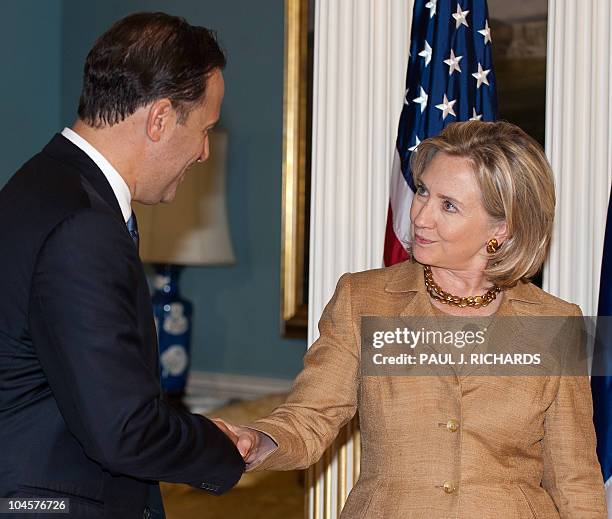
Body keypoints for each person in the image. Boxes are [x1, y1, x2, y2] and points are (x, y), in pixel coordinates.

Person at [218, 121, 608, 517]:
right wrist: (260, 439)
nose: (421, 216)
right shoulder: (363, 300)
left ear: (502, 228)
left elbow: (575, 477)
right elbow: (310, 417)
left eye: (449, 205)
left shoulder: (557, 322)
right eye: (423, 191)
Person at [0, 12, 245, 519]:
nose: (203, 153)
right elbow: (122, 430)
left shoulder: (38, 186)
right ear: (159, 119)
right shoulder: (82, 226)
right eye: (205, 130)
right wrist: (219, 448)